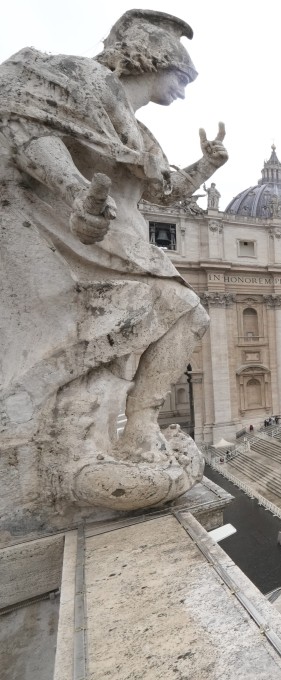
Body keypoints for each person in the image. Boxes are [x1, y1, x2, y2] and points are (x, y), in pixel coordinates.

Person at [0, 9, 225, 514]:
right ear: (156, 58)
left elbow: (168, 190)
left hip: (118, 239)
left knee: (186, 312)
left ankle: (137, 420)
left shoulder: (143, 135)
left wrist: (209, 163)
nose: (184, 91)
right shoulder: (81, 80)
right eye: (182, 78)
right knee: (176, 310)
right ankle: (96, 434)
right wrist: (78, 192)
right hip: (75, 238)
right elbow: (29, 130)